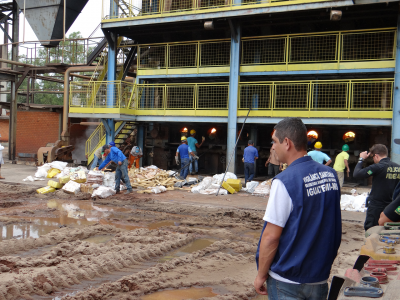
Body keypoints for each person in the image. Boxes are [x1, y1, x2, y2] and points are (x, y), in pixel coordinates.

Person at [254, 117, 341, 300]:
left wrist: (261, 274)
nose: (273, 147)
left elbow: (271, 237)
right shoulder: (330, 176)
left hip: (287, 281)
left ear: (287, 143)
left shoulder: (285, 181)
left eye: (274, 142)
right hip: (319, 278)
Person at [353, 144, 400, 231]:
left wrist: (361, 159)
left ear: (376, 156)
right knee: (388, 231)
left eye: (372, 157)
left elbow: (357, 174)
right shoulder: (398, 167)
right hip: (391, 207)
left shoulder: (377, 167)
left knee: (371, 230)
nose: (373, 160)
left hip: (376, 207)